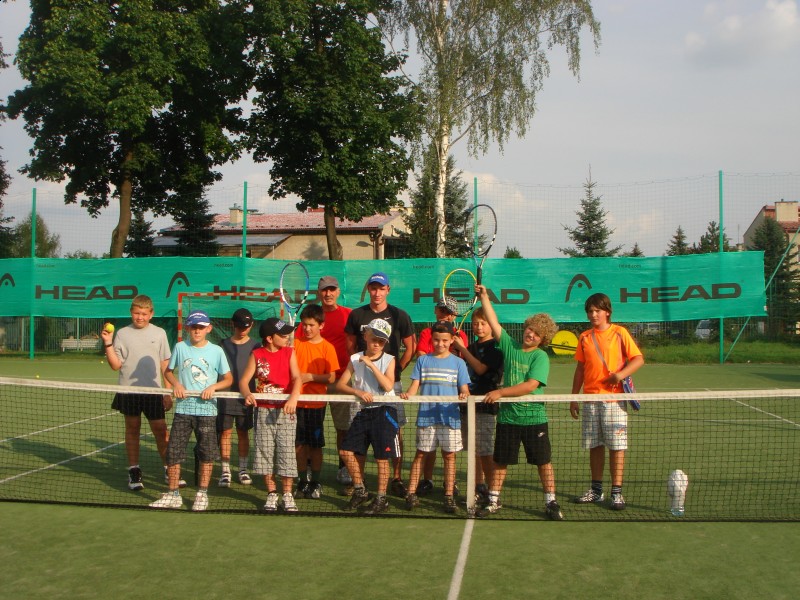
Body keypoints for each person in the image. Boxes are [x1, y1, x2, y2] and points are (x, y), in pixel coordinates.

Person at [474, 285, 563, 521]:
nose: (531, 334)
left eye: (537, 334)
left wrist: (500, 392)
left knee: (543, 462)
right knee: (500, 461)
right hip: (508, 418)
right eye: (530, 329)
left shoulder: (539, 356)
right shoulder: (510, 346)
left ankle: (551, 501)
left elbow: (531, 385)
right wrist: (484, 297)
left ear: (543, 339)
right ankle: (493, 500)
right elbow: (493, 322)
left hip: (534, 418)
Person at [149, 311, 232, 511]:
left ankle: (202, 494)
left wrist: (214, 387)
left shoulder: (217, 351)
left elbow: (228, 379)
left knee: (207, 454)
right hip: (183, 410)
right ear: (187, 328)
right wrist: (176, 384)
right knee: (173, 453)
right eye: (194, 327)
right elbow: (168, 371)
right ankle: (173, 494)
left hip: (207, 412)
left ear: (208, 329)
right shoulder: (180, 347)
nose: (197, 331)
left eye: (201, 327)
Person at [570, 292, 644, 511]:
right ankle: (596, 490)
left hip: (614, 401)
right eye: (590, 311)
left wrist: (619, 376)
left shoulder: (620, 333)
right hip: (591, 400)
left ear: (607, 312)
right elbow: (580, 368)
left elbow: (638, 359)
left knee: (616, 447)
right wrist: (574, 397)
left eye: (597, 311)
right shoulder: (584, 337)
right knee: (595, 446)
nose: (593, 315)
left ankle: (616, 492)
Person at [345, 272, 416, 497]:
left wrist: (395, 370)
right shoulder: (357, 315)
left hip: (391, 387)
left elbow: (410, 347)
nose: (377, 292)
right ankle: (360, 481)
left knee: (395, 432)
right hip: (363, 389)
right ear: (369, 289)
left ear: (388, 290)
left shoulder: (399, 315)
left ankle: (396, 478)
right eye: (373, 288)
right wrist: (359, 370)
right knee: (360, 434)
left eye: (381, 288)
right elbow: (350, 346)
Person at [101, 294, 182, 490]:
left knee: (161, 430)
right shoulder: (122, 334)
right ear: (131, 312)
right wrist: (108, 342)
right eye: (137, 313)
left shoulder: (160, 333)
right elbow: (115, 365)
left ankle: (169, 469)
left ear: (151, 314)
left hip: (153, 392)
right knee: (132, 428)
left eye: (144, 314)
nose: (140, 317)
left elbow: (165, 364)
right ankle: (134, 470)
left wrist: (167, 392)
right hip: (129, 391)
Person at [401, 321, 470, 514]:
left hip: (450, 419)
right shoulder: (423, 361)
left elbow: (464, 389)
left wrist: (464, 394)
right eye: (437, 340)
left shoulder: (459, 363)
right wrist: (408, 394)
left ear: (452, 340)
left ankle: (448, 495)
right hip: (426, 417)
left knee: (449, 456)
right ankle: (411, 493)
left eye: (445, 340)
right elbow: (414, 387)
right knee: (421, 454)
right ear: (432, 340)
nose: (440, 344)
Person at [295, 276, 353, 490]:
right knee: (308, 432)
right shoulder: (308, 318)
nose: (328, 293)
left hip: (341, 381)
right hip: (309, 390)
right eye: (324, 290)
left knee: (343, 427)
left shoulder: (348, 315)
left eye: (332, 289)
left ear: (338, 292)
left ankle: (343, 467)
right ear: (319, 293)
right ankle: (308, 470)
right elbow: (296, 346)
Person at [240, 317, 302, 513]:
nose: (287, 338)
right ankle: (272, 493)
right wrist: (247, 394)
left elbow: (297, 378)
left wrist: (293, 398)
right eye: (282, 335)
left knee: (287, 453)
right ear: (269, 338)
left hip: (286, 412)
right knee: (264, 452)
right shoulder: (257, 354)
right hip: (263, 411)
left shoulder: (289, 352)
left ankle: (287, 495)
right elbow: (244, 381)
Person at [336, 318, 398, 515]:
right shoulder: (355, 358)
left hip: (385, 410)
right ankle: (360, 489)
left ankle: (381, 499)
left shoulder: (389, 359)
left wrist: (371, 365)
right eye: (374, 339)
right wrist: (358, 392)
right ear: (366, 336)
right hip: (364, 411)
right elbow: (340, 384)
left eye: (381, 341)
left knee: (382, 458)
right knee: (346, 451)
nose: (376, 344)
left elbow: (387, 386)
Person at [414, 296, 469, 496]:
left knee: (450, 451)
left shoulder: (461, 336)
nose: (444, 315)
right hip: (429, 401)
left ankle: (450, 484)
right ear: (436, 311)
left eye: (449, 312)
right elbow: (421, 354)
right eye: (441, 310)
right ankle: (427, 480)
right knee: (426, 450)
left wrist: (458, 347)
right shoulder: (426, 332)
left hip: (451, 401)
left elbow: (462, 360)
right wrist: (437, 358)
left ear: (454, 315)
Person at [450, 307, 504, 504]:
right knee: (473, 450)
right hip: (467, 404)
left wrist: (462, 349)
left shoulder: (496, 347)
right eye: (475, 324)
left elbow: (480, 369)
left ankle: (492, 491)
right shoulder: (471, 347)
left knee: (485, 450)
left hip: (485, 404)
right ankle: (478, 486)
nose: (479, 327)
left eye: (483, 323)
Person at [293, 304, 339, 499]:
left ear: (321, 325)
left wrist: (310, 377)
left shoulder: (328, 348)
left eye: (311, 325)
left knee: (315, 446)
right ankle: (303, 481)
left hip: (316, 405)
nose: (307, 328)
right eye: (304, 324)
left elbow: (331, 377)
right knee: (299, 445)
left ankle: (315, 482)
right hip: (295, 404)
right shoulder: (295, 344)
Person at [217, 308, 259, 488]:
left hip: (246, 398)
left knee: (243, 433)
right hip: (225, 396)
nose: (243, 330)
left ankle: (242, 469)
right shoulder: (222, 344)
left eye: (246, 326)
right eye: (240, 326)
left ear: (252, 325)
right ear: (233, 324)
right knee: (225, 433)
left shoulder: (256, 346)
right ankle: (225, 471)